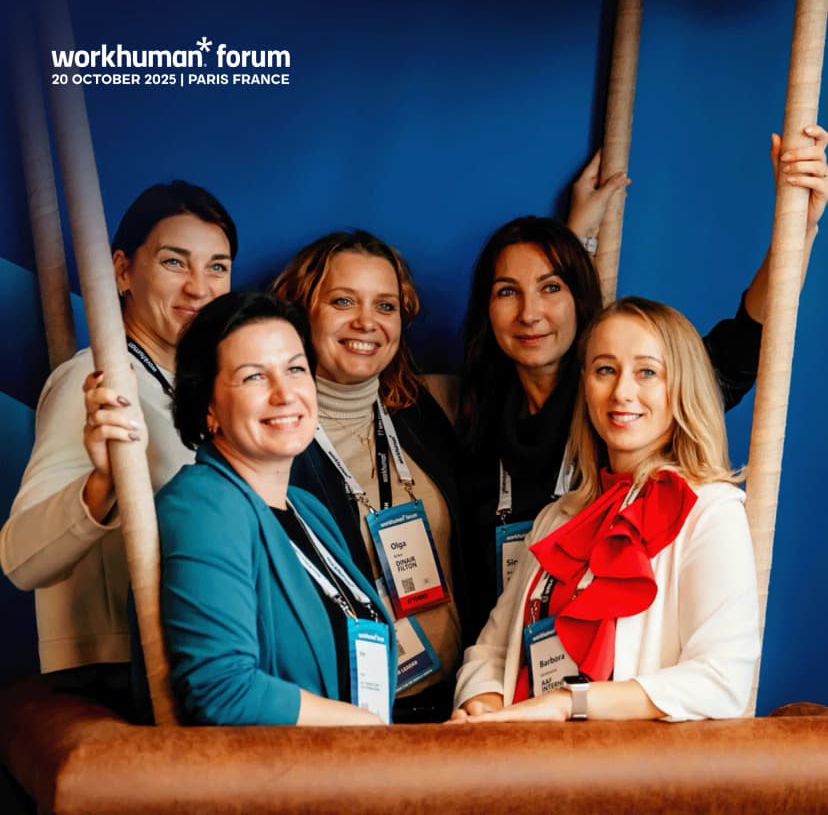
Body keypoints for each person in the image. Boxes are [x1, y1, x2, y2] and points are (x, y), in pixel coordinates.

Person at [457, 124, 828, 637]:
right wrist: (573, 236)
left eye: (552, 287)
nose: (530, 313)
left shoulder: (621, 404)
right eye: (507, 292)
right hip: (500, 660)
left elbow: (745, 340)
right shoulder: (473, 412)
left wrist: (798, 230)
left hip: (608, 666)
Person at [451, 296, 760, 723]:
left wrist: (569, 702)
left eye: (647, 372)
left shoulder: (711, 511)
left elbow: (722, 680)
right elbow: (492, 650)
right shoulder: (558, 518)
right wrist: (483, 709)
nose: (622, 392)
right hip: (523, 754)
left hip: (625, 762)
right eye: (605, 370)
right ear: (585, 384)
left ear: (681, 385)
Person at [0, 181, 236, 710]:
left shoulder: (202, 389)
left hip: (198, 663)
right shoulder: (93, 381)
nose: (199, 288)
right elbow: (20, 560)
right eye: (175, 262)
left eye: (217, 267)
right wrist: (103, 484)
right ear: (123, 271)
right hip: (121, 676)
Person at [158, 291, 396, 725]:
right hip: (280, 769)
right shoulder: (202, 506)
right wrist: (367, 728)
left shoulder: (308, 510)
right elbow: (222, 691)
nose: (285, 394)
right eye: (254, 377)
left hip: (355, 762)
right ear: (208, 406)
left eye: (295, 369)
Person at [271, 230, 465, 723]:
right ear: (301, 311)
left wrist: (585, 238)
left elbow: (547, 353)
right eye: (343, 301)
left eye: (385, 306)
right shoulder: (273, 437)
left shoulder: (426, 411)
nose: (366, 321)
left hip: (457, 708)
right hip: (348, 719)